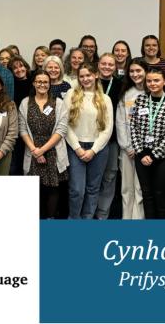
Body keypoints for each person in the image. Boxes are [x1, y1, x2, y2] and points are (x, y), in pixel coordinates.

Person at [129, 67, 165, 219]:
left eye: (156, 80)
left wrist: (153, 154)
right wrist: (141, 152)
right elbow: (133, 127)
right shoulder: (140, 100)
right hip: (142, 155)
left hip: (163, 158)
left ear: (164, 81)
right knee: (147, 195)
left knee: (161, 195)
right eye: (149, 81)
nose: (152, 84)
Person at [65, 64, 113, 219]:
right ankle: (74, 221)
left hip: (98, 149)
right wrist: (78, 148)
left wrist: (94, 150)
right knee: (76, 189)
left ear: (96, 75)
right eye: (82, 76)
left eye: (88, 75)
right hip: (75, 147)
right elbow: (65, 124)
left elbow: (107, 129)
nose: (85, 79)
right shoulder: (71, 94)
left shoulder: (105, 99)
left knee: (93, 189)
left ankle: (87, 221)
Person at [19, 70, 69, 219]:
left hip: (53, 149)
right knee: (35, 190)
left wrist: (43, 150)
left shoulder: (58, 103)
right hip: (32, 149)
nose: (42, 84)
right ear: (34, 83)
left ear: (50, 84)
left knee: (53, 188)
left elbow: (61, 129)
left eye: (45, 82)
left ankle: (50, 221)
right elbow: (22, 129)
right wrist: (35, 150)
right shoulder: (25, 102)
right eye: (39, 81)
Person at [115, 60, 148, 219]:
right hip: (127, 149)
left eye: (139, 71)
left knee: (140, 188)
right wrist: (127, 146)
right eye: (132, 71)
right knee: (126, 188)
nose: (135, 74)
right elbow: (120, 122)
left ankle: (138, 220)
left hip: (145, 151)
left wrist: (141, 148)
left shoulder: (152, 93)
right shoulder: (126, 93)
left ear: (146, 71)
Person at [95, 53, 124, 219]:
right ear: (98, 65)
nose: (107, 67)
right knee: (93, 178)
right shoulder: (89, 82)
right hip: (91, 139)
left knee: (109, 176)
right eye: (104, 64)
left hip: (112, 138)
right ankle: (89, 213)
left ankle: (102, 215)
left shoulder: (121, 85)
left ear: (115, 67)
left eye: (110, 65)